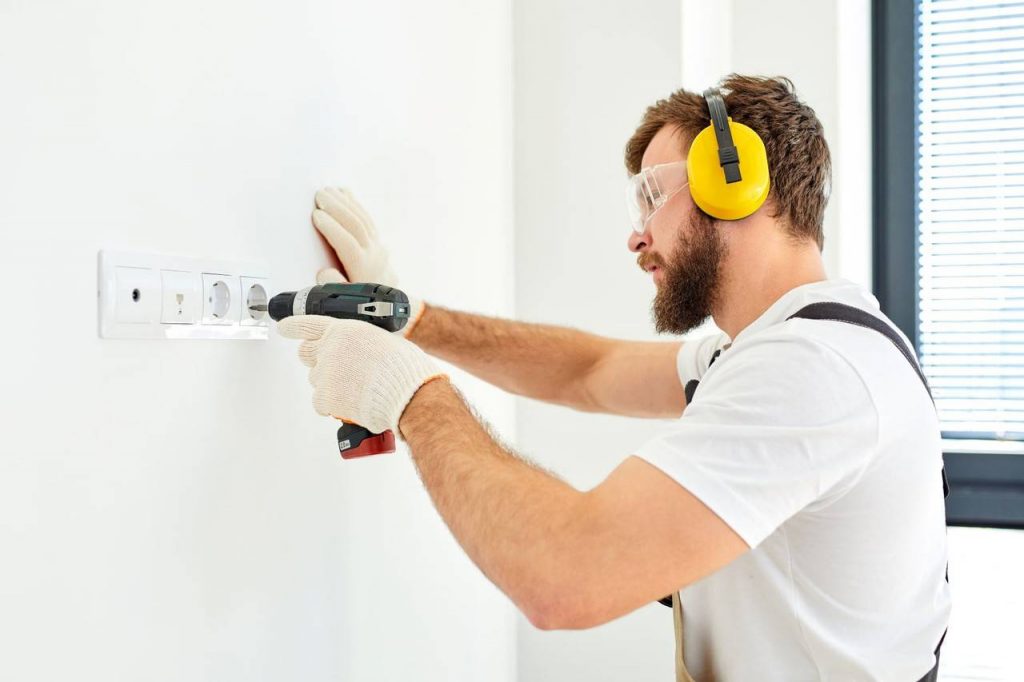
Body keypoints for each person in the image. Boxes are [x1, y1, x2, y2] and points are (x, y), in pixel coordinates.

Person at [277, 75, 951, 681]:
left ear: (735, 180)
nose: (637, 237)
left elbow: (563, 576)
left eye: (653, 197)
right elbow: (588, 371)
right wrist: (409, 316)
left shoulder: (811, 372)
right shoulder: (783, 346)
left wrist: (408, 393)